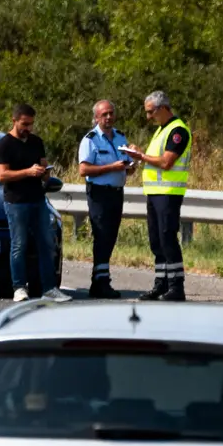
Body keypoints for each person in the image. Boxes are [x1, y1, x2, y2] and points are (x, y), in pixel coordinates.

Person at [0, 103, 70, 303]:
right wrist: (28, 172)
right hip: (16, 202)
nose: (28, 128)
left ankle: (50, 287)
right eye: (24, 124)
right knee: (19, 244)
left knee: (46, 244)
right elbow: (2, 175)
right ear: (14, 120)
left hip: (38, 200)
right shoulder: (5, 145)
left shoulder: (36, 142)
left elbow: (45, 168)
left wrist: (45, 173)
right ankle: (19, 287)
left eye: (31, 124)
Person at [123, 91, 191, 301]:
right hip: (154, 193)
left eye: (151, 112)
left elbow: (166, 162)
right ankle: (161, 284)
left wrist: (141, 156)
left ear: (163, 108)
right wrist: (140, 154)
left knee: (167, 238)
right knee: (156, 241)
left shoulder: (177, 130)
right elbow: (155, 159)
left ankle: (176, 287)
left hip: (168, 193)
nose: (148, 117)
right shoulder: (162, 130)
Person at [77, 99, 134, 299]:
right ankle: (101, 282)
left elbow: (127, 168)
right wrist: (112, 167)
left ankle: (99, 280)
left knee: (110, 237)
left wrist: (131, 165)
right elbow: (83, 170)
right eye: (104, 115)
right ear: (96, 117)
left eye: (111, 113)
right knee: (101, 236)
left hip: (116, 192)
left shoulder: (120, 137)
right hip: (99, 193)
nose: (108, 117)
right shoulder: (90, 139)